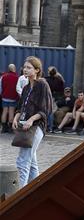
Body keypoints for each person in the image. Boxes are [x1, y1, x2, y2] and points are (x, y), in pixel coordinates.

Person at [11, 56, 53, 187]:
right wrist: (16, 118)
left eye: (29, 67)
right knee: (32, 162)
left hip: (36, 127)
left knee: (23, 161)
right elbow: (20, 106)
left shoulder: (42, 84)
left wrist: (31, 119)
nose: (25, 70)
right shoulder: (26, 87)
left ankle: (19, 195)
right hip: (25, 126)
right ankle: (38, 190)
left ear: (37, 70)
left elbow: (46, 109)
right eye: (24, 67)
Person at [1, 63, 20, 133]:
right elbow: (18, 88)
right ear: (14, 69)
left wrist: (2, 95)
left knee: (4, 111)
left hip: (4, 97)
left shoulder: (3, 76)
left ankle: (3, 128)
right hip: (13, 98)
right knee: (11, 112)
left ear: (8, 69)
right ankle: (10, 128)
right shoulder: (17, 77)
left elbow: (0, 88)